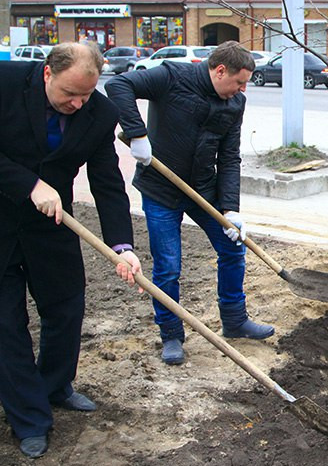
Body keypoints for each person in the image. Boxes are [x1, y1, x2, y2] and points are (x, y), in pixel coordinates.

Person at [0, 43, 142, 458]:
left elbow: (108, 183)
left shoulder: (99, 114)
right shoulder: (6, 84)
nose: (77, 104)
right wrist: (28, 183)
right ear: (48, 73)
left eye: (85, 95)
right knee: (7, 327)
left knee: (65, 309)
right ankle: (29, 418)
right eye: (69, 95)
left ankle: (55, 386)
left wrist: (123, 246)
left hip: (53, 224)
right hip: (1, 223)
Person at [105, 41, 273, 366]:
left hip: (202, 189)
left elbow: (229, 157)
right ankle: (170, 334)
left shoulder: (234, 102)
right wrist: (137, 134)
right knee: (168, 266)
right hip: (161, 189)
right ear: (220, 70)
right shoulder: (172, 76)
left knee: (233, 248)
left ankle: (235, 320)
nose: (241, 89)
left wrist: (231, 209)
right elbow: (118, 84)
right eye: (239, 81)